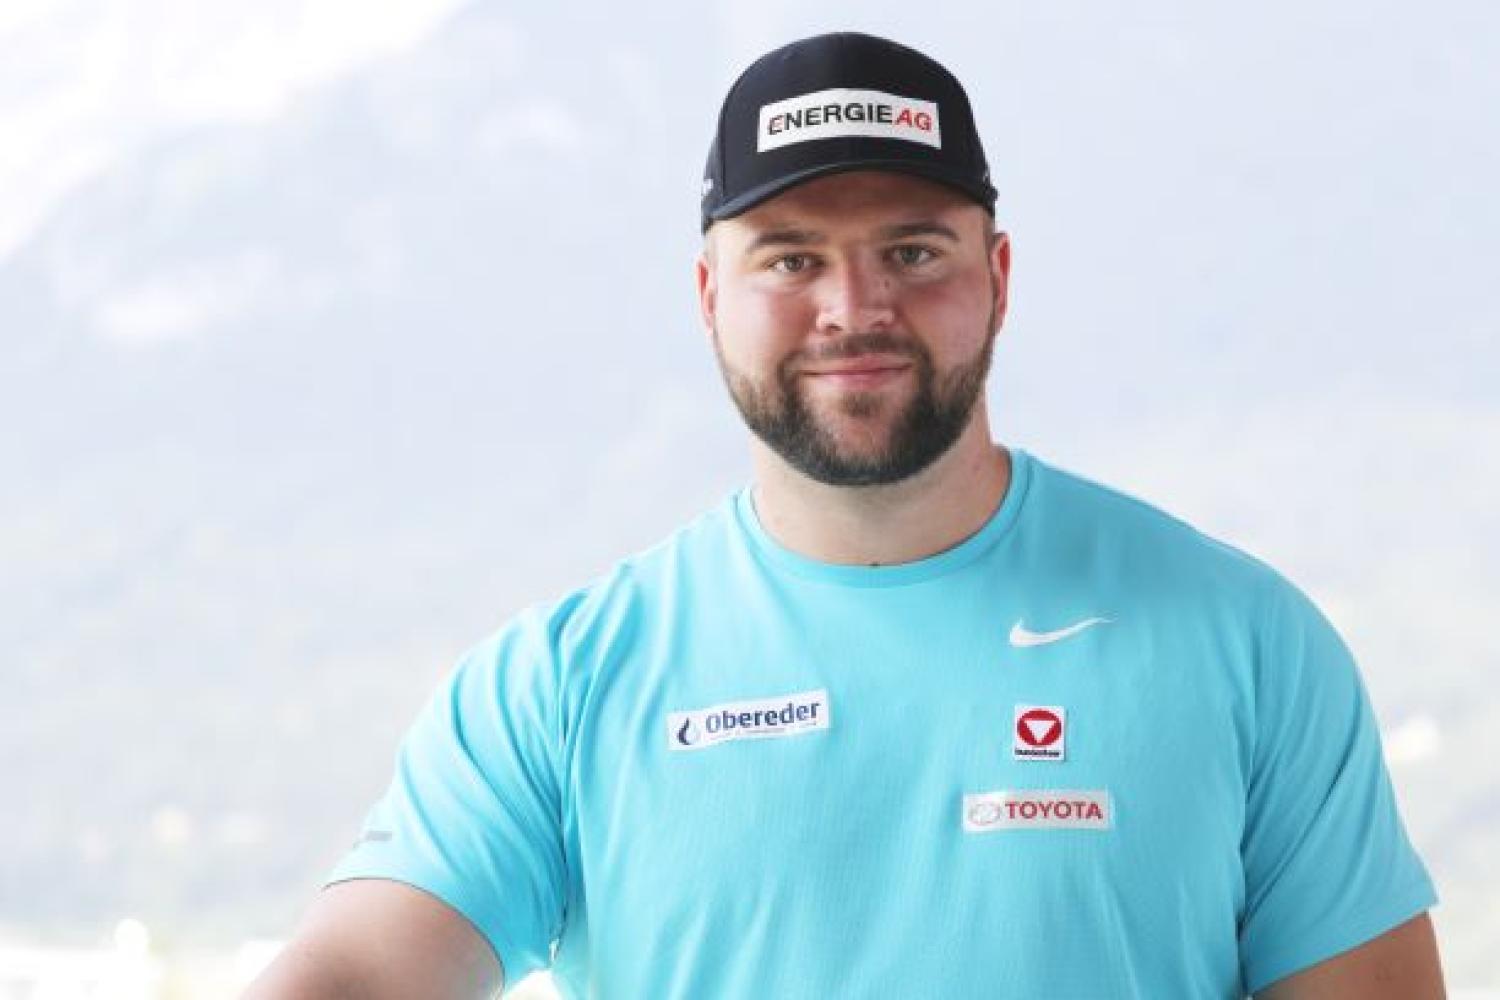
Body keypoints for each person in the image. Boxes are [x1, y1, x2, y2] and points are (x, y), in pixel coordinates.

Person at [245, 31, 1445, 1000]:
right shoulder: (559, 685)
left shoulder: (1247, 644)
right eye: (790, 259)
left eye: (914, 252)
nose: (854, 306)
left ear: (999, 278)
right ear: (709, 295)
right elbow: (357, 974)